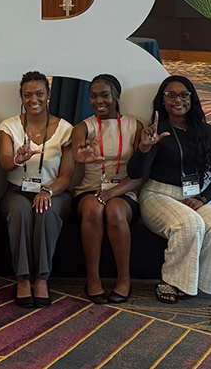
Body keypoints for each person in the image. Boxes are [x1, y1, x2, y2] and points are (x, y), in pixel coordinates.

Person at [127, 76, 211, 304]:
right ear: (162, 101)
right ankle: (171, 282)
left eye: (184, 95)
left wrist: (202, 199)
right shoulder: (157, 131)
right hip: (157, 195)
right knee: (189, 224)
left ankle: (194, 282)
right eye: (171, 95)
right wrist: (144, 148)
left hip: (191, 197)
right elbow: (136, 173)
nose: (178, 100)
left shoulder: (205, 132)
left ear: (191, 98)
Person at [0, 72, 74, 308]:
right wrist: (18, 159)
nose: (34, 100)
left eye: (39, 94)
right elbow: (5, 163)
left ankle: (41, 278)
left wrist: (48, 192)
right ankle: (22, 278)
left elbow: (66, 176)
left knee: (45, 210)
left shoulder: (65, 129)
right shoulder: (8, 126)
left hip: (55, 192)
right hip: (17, 191)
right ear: (21, 97)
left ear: (48, 95)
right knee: (20, 210)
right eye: (27, 95)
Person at [71, 74, 144, 305]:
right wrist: (81, 157)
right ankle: (93, 280)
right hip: (90, 189)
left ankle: (124, 280)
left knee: (115, 211)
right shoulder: (83, 127)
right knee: (93, 209)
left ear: (117, 96)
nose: (98, 101)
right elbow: (75, 156)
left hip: (124, 190)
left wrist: (112, 193)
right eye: (93, 96)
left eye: (104, 95)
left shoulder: (135, 125)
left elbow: (140, 174)